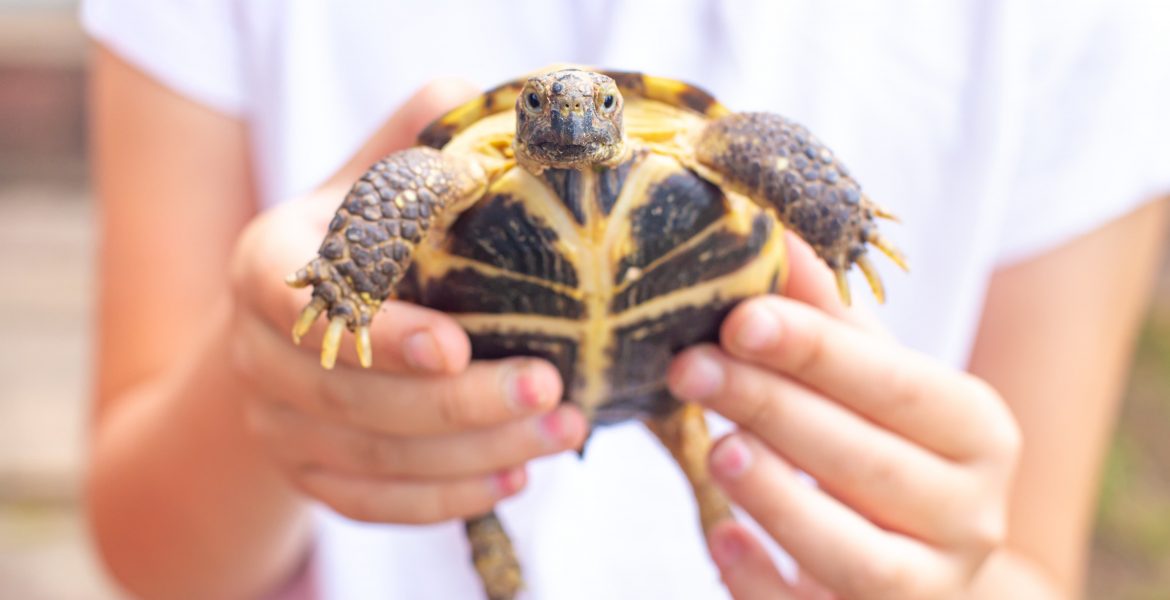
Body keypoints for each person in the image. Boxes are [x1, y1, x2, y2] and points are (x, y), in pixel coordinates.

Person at [81, 1, 1170, 598]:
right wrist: (291, 351)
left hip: (693, 366)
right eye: (550, 105)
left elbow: (1030, 564)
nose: (563, 111)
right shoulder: (470, 163)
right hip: (457, 402)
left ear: (612, 117)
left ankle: (708, 507)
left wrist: (956, 584)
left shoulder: (1082, 27)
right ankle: (486, 541)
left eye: (582, 106)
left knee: (696, 442)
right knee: (456, 437)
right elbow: (149, 549)